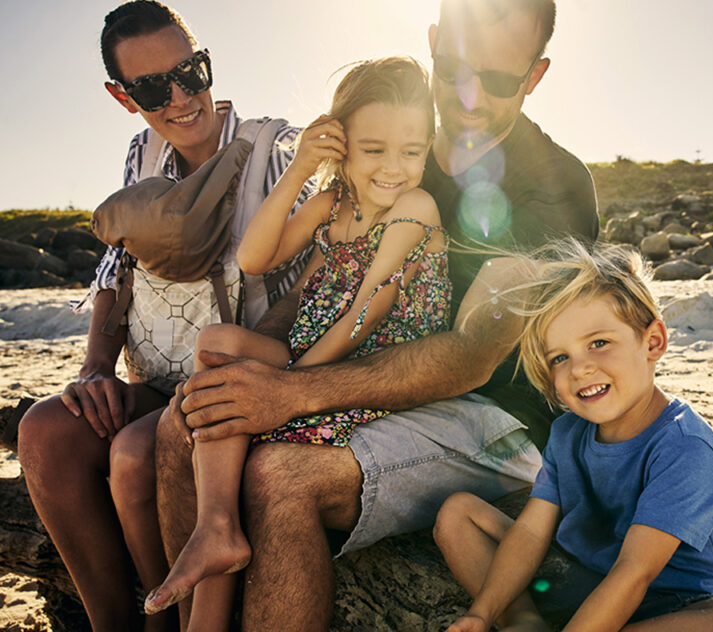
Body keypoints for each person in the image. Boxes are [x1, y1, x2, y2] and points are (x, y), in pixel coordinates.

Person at [153, 0, 599, 628]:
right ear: (433, 43)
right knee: (189, 419)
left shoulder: (552, 184)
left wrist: (291, 390)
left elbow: (473, 354)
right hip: (373, 384)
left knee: (281, 476)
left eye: (497, 81)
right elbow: (314, 286)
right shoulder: (393, 153)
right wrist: (256, 375)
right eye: (454, 69)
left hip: (496, 419)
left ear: (536, 75)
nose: (469, 96)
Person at [16, 2, 311, 630]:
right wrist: (96, 367)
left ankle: (161, 615)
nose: (181, 98)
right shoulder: (140, 155)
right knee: (44, 433)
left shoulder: (276, 148)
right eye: (153, 87)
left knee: (130, 453)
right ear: (123, 97)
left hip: (240, 386)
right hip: (155, 382)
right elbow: (115, 274)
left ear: (206, 60)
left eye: (191, 71)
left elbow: (322, 278)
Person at [140, 56, 450, 620]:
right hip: (309, 351)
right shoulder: (333, 202)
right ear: (342, 145)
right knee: (216, 344)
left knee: (236, 395)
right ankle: (216, 527)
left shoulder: (415, 207)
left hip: (364, 368)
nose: (395, 168)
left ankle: (214, 553)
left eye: (413, 151)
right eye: (374, 149)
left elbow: (365, 317)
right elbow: (255, 257)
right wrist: (301, 165)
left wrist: (282, 384)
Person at [434, 241, 713, 632]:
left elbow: (634, 573)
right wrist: (483, 611)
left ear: (653, 343)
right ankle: (523, 624)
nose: (579, 369)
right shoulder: (567, 433)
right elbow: (530, 532)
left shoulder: (685, 447)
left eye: (599, 343)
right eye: (559, 357)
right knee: (459, 514)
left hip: (674, 611)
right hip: (586, 586)